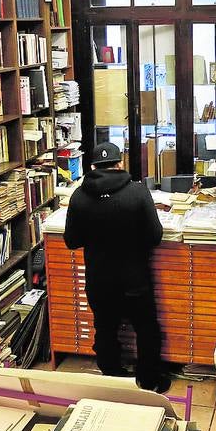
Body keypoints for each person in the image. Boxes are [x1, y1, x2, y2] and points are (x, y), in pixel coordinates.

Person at [63, 142, 168, 393]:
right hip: (135, 279)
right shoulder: (138, 192)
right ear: (120, 164)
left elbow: (71, 241)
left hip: (99, 280)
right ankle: (149, 380)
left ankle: (112, 377)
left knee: (105, 328)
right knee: (146, 329)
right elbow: (155, 236)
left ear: (92, 167)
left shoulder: (79, 196)